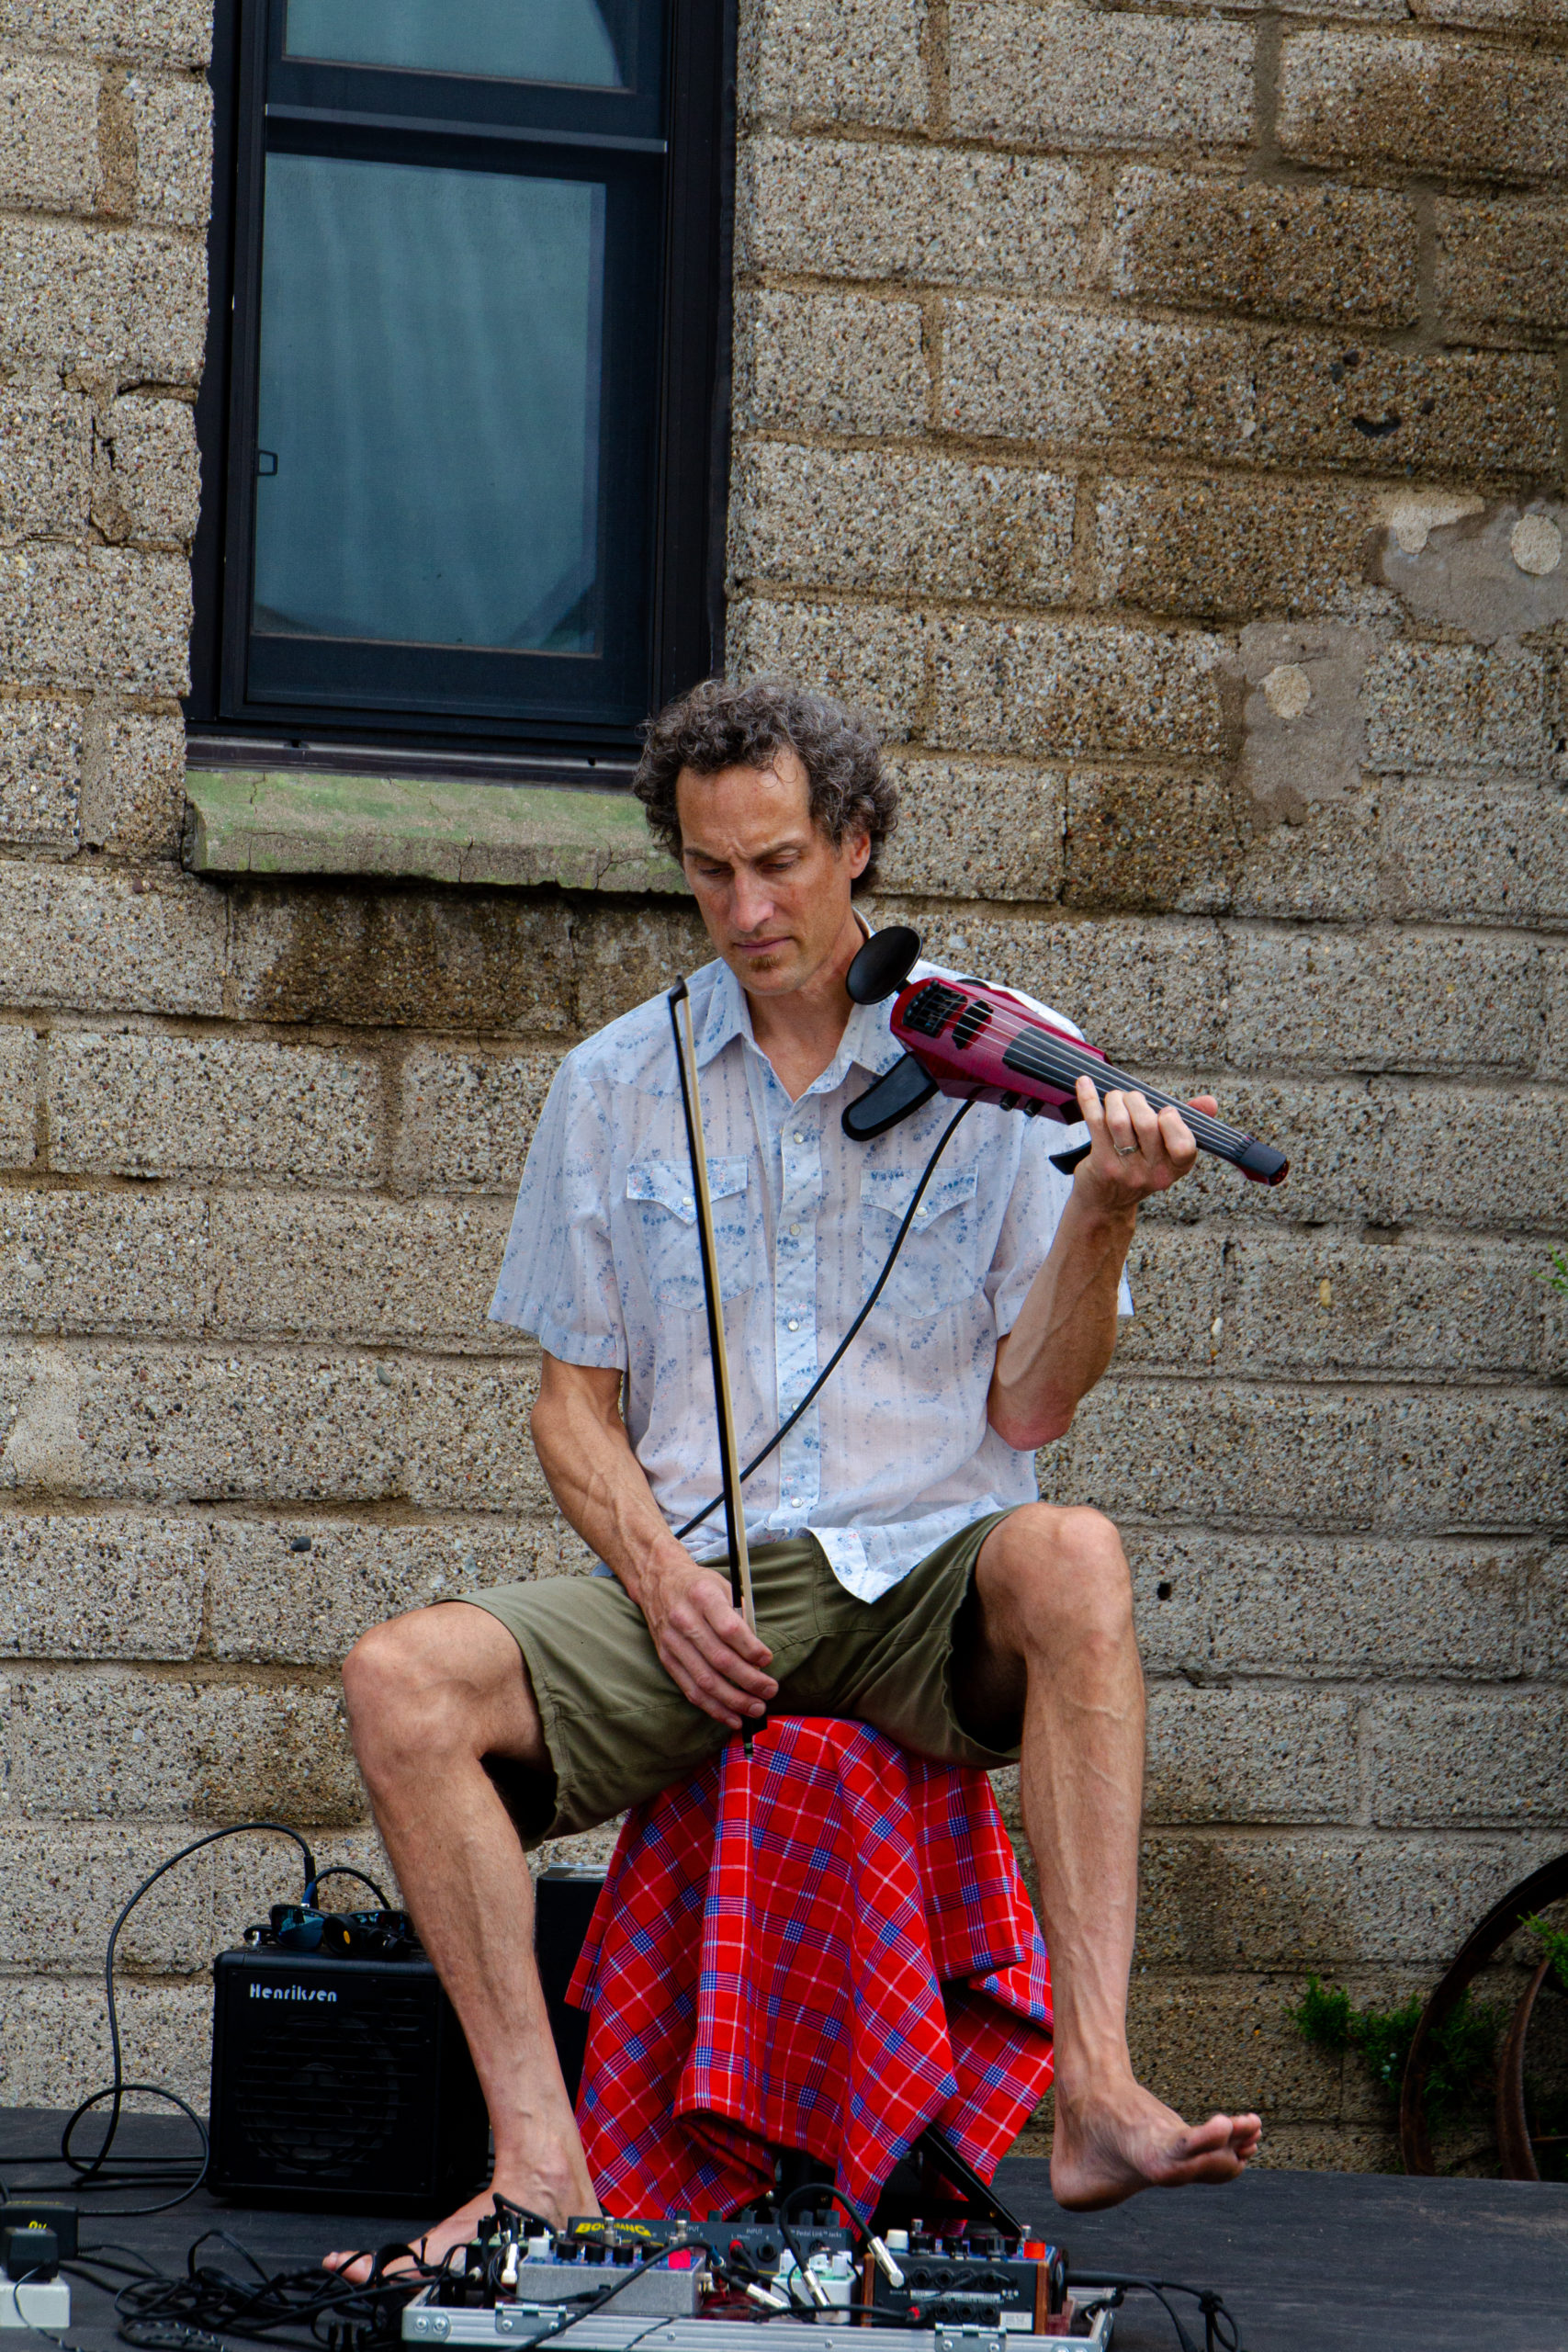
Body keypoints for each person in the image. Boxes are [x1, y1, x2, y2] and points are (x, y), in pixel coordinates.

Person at [327, 678, 1260, 2280]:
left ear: (857, 843)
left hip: (927, 1587)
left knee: (1078, 1553)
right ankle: (537, 2171)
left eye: (778, 863)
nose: (747, 910)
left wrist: (1106, 1207)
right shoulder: (616, 1081)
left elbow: (1034, 1399)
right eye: (710, 872)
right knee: (398, 1681)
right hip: (706, 1586)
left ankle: (1099, 2093)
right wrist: (658, 1578)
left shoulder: (1007, 1054)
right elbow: (570, 1411)